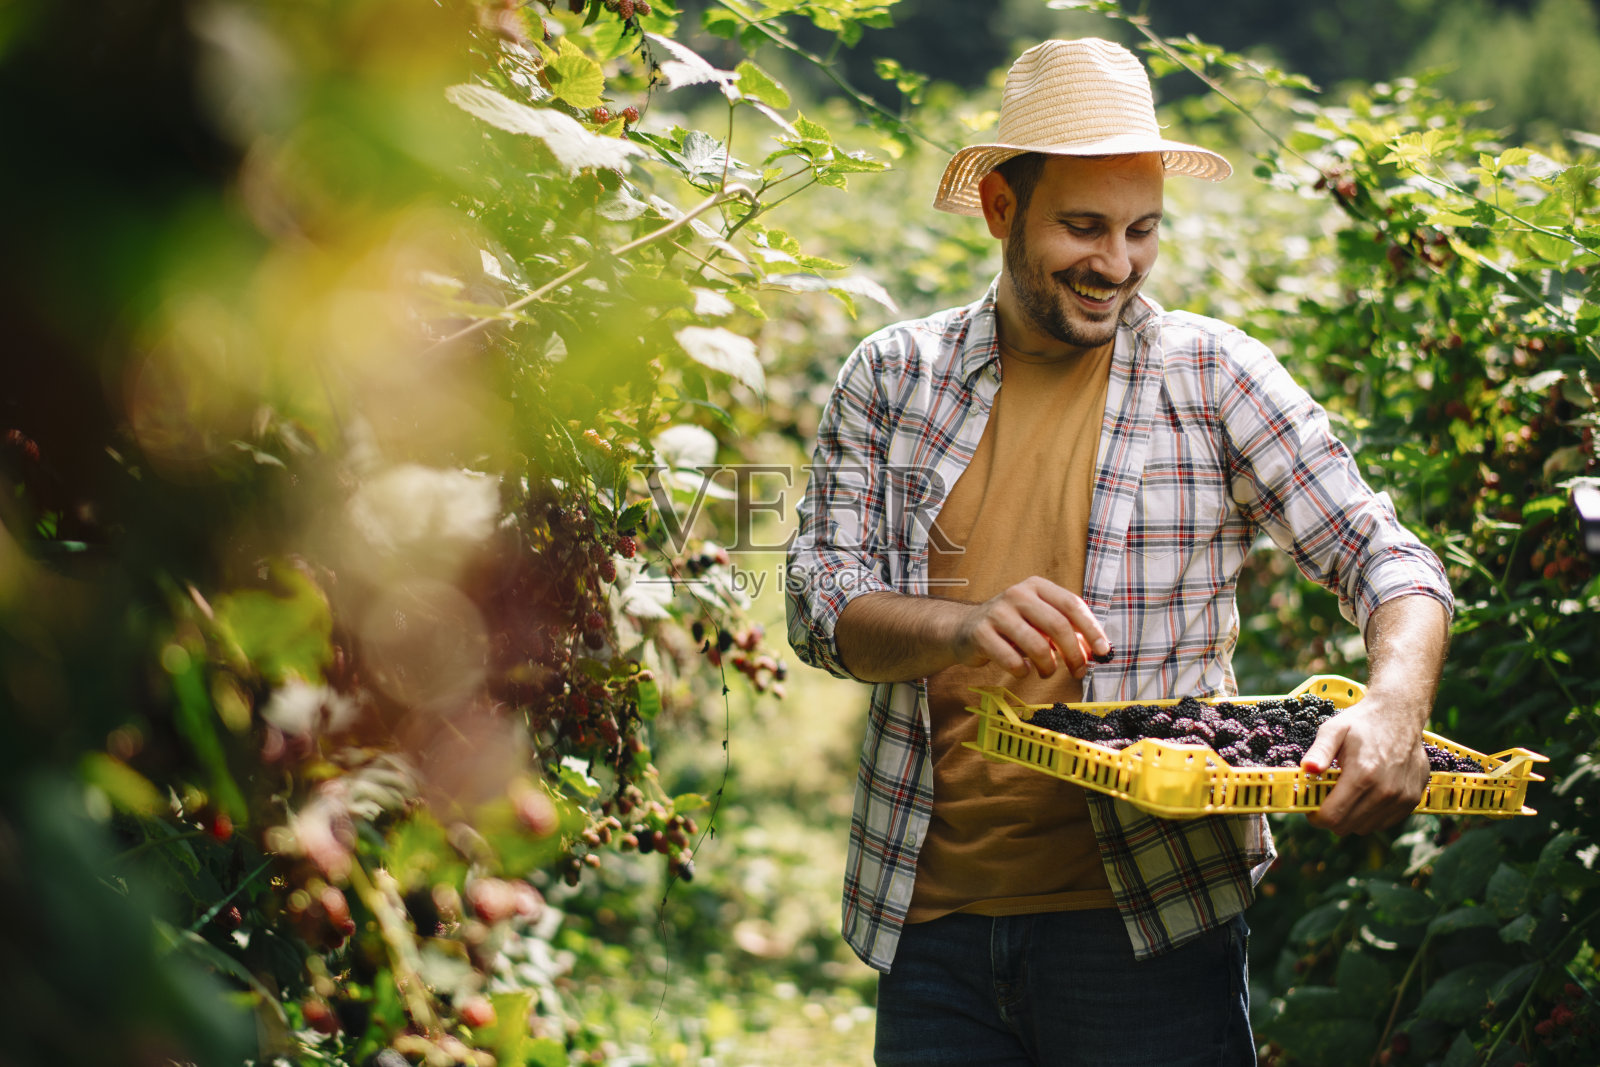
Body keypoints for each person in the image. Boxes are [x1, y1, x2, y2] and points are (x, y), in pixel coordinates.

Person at [783, 37, 1454, 1067]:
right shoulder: (894, 377)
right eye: (1083, 226)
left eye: (1142, 230)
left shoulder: (1213, 374)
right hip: (932, 926)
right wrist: (961, 628)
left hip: (1148, 924)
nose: (1116, 262)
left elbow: (1385, 555)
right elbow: (821, 604)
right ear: (1002, 209)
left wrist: (1396, 703)